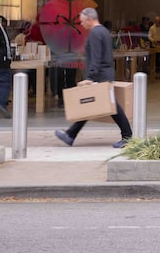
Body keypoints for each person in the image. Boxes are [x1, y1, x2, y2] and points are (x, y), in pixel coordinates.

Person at [55, 8, 133, 148]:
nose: (82, 24)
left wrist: (90, 77)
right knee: (90, 104)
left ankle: (128, 136)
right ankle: (70, 135)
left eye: (83, 21)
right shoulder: (103, 31)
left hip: (100, 75)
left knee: (111, 106)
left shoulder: (95, 33)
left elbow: (96, 57)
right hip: (104, 73)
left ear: (90, 19)